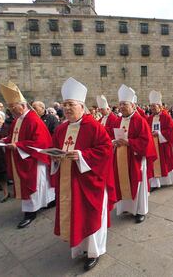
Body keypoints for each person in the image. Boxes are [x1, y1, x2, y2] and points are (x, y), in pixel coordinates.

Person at [50, 77, 116, 271]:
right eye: (65, 105)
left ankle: (94, 252)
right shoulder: (61, 129)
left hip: (90, 182)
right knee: (76, 216)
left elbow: (105, 150)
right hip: (69, 182)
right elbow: (54, 149)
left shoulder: (94, 127)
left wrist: (80, 155)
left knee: (92, 217)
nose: (67, 108)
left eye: (71, 104)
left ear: (81, 106)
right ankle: (79, 249)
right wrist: (54, 158)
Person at [0, 81, 55, 229]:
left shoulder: (33, 119)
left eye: (13, 106)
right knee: (36, 186)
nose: (11, 110)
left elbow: (41, 142)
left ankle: (30, 212)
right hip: (22, 158)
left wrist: (17, 145)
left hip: (33, 160)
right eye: (9, 107)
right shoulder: (18, 119)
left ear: (22, 106)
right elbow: (15, 136)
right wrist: (5, 140)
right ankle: (45, 203)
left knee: (35, 184)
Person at [112, 85, 157, 223]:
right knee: (122, 181)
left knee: (138, 184)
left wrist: (129, 142)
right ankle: (125, 207)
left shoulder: (140, 121)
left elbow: (145, 141)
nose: (121, 107)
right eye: (120, 104)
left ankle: (140, 211)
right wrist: (114, 142)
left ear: (132, 105)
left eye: (124, 104)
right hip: (121, 157)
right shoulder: (119, 120)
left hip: (136, 158)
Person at [147, 90, 173, 189]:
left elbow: (171, 131)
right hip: (154, 145)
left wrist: (159, 133)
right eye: (151, 106)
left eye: (154, 106)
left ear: (159, 106)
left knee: (165, 163)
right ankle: (155, 183)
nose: (152, 108)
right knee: (154, 163)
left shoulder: (166, 117)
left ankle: (168, 180)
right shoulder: (149, 118)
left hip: (163, 145)